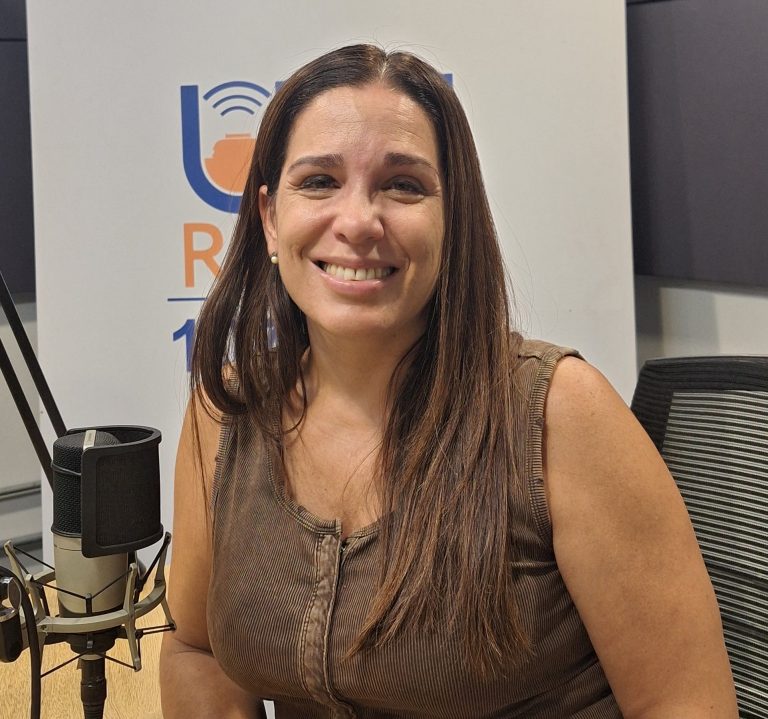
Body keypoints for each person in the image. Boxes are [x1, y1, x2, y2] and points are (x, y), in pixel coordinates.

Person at [159, 44, 738, 718]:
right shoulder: (227, 411)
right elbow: (196, 646)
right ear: (268, 218)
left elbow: (684, 703)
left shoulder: (559, 416)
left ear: (451, 219)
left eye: (403, 185)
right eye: (319, 181)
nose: (357, 221)